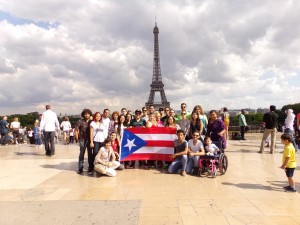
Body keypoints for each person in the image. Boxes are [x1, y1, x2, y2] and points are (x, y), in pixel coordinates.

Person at [75, 108, 92, 174]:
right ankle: (80, 167)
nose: (87, 115)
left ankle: (90, 168)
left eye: (88, 114)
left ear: (90, 114)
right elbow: (76, 130)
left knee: (90, 154)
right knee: (82, 153)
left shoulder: (91, 121)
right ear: (83, 115)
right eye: (85, 114)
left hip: (90, 139)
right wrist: (77, 138)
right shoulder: (80, 121)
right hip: (82, 139)